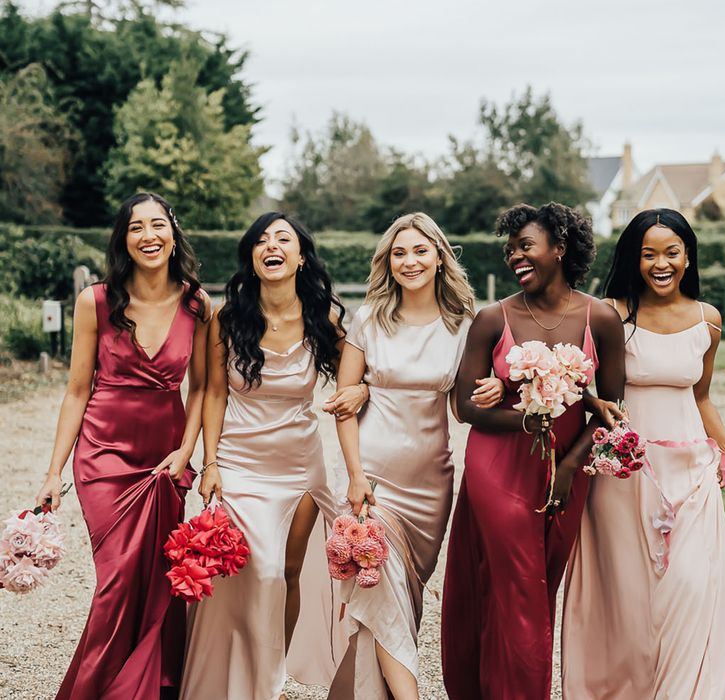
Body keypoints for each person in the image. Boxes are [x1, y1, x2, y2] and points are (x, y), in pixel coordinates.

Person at [561, 208, 725, 699]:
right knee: (627, 596)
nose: (661, 263)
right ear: (635, 258)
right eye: (649, 254)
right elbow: (582, 386)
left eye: (672, 252)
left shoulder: (708, 320)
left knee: (691, 587)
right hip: (622, 475)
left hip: (691, 473)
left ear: (688, 257)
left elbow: (701, 396)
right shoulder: (610, 313)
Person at [440, 202, 626, 700]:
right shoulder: (490, 320)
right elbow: (464, 407)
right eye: (511, 248)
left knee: (537, 587)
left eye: (526, 246)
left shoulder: (601, 318)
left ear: (559, 249)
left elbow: (611, 408)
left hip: (568, 469)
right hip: (497, 466)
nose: (514, 256)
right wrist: (528, 416)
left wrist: (569, 466)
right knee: (520, 587)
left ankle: (491, 686)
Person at [180, 212, 366, 700]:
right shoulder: (228, 316)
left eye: (283, 238)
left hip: (301, 465)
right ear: (253, 258)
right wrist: (212, 462)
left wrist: (361, 391)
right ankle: (234, 673)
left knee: (285, 572)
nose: (271, 246)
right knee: (250, 572)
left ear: (301, 256)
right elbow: (214, 394)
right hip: (240, 461)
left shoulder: (324, 316)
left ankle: (272, 678)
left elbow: (360, 371)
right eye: (261, 240)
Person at [36, 192, 210, 700]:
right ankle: (94, 690)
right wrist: (54, 472)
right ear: (123, 239)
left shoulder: (196, 301)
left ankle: (154, 685)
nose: (149, 236)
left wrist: (187, 450)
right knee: (117, 583)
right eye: (137, 228)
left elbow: (200, 387)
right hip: (103, 456)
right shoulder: (95, 301)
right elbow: (76, 390)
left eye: (158, 225)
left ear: (173, 234)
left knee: (160, 582)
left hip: (165, 458)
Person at [327, 212, 504, 700]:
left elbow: (459, 407)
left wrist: (492, 388)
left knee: (404, 596)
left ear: (440, 257)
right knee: (378, 583)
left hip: (432, 480)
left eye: (420, 251)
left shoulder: (465, 324)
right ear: (388, 261)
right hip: (375, 476)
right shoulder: (367, 319)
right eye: (399, 252)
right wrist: (355, 475)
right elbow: (343, 404)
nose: (410, 261)